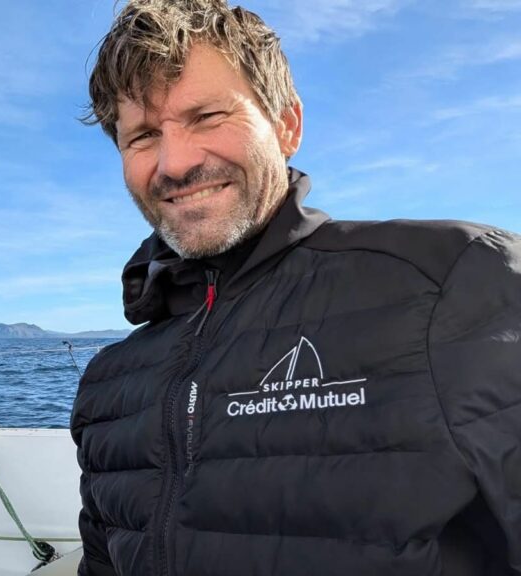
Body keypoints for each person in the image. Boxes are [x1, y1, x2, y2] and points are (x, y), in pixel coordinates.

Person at [70, 1, 521, 574]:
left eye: (207, 116)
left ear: (287, 125)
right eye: (142, 135)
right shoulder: (107, 384)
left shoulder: (455, 283)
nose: (175, 162)